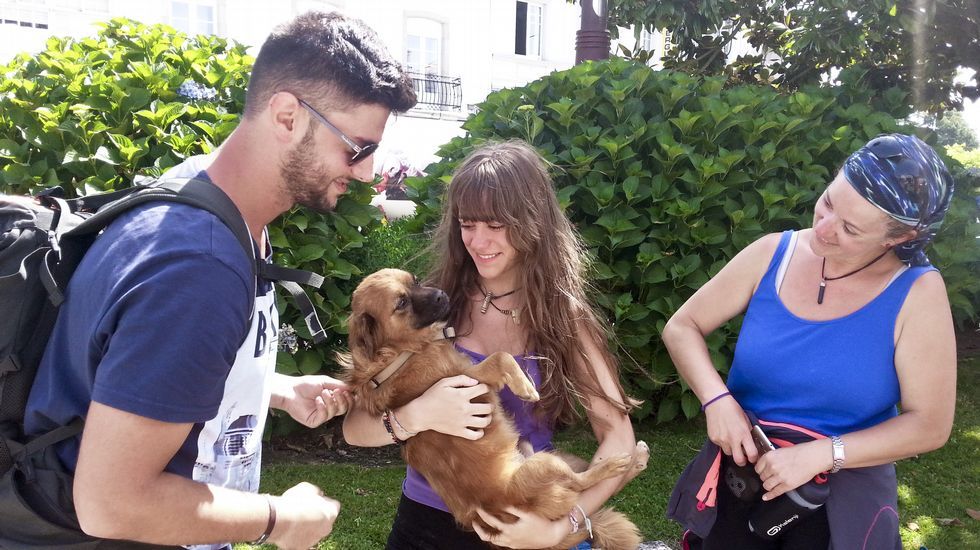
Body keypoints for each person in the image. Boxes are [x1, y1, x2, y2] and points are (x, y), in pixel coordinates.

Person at [23, 11, 416, 550]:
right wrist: (281, 517)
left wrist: (271, 389)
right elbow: (112, 503)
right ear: (287, 116)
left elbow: (134, 368)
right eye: (358, 147)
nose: (367, 172)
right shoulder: (198, 264)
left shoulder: (204, 198)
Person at [343, 140, 644, 549]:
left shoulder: (563, 318)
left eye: (496, 224)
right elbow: (356, 429)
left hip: (522, 519)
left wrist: (562, 527)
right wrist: (414, 416)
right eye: (468, 224)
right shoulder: (432, 307)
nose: (479, 241)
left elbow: (618, 436)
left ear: (532, 220)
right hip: (424, 526)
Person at [663, 134, 957, 549]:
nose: (823, 228)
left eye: (850, 228)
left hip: (840, 503)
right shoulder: (773, 253)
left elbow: (929, 426)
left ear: (900, 237)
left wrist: (822, 454)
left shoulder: (917, 292)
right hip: (743, 478)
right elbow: (682, 326)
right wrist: (716, 401)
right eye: (829, 202)